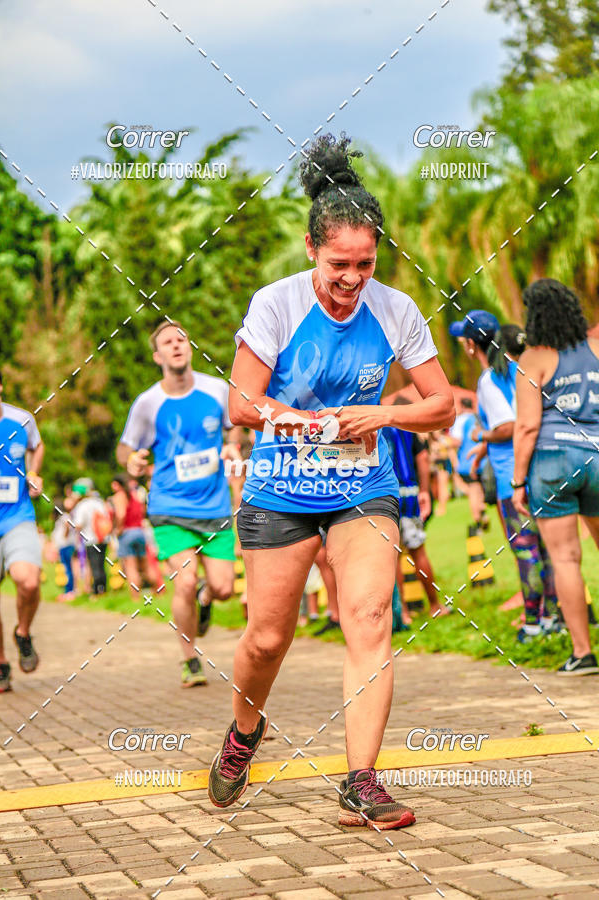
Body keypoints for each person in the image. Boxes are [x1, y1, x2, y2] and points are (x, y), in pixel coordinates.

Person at [208, 134, 455, 829]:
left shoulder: (396, 310)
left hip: (362, 488)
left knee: (370, 619)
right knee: (266, 638)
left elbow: (441, 405)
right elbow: (241, 402)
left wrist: (382, 412)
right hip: (280, 491)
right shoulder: (278, 304)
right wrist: (308, 423)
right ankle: (244, 732)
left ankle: (362, 782)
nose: (352, 278)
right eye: (340, 263)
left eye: (366, 263)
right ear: (313, 247)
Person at [118, 321, 239, 687]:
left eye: (182, 339)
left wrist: (233, 444)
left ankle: (206, 597)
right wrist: (132, 462)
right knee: (183, 582)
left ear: (190, 347)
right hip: (170, 507)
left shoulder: (217, 389)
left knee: (224, 590)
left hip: (215, 507)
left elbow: (235, 424)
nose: (176, 346)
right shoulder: (148, 403)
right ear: (158, 356)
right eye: (168, 342)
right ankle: (190, 659)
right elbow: (126, 445)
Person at [450, 312, 559, 642]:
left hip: (512, 479)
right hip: (540, 470)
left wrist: (481, 437)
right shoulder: (518, 369)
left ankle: (532, 623)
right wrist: (484, 449)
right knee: (547, 549)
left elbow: (509, 426)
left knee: (526, 551)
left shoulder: (488, 379)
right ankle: (556, 618)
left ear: (472, 345)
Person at [512, 279, 599, 674]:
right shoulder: (596, 348)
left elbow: (527, 426)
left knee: (565, 560)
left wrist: (517, 482)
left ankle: (582, 654)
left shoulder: (533, 359)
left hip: (552, 461)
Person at [381, 399, 447, 620]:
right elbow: (423, 457)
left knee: (393, 556)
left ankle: (404, 613)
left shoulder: (374, 421)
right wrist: (425, 491)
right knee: (418, 551)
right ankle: (436, 605)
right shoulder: (407, 424)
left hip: (382, 494)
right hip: (409, 494)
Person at [0, 371, 44, 693]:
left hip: (17, 515)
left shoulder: (22, 420)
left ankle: (23, 633)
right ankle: (1, 662)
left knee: (28, 580)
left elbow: (37, 446)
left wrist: (34, 473)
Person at [109, 473, 155, 599]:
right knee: (146, 566)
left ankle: (135, 597)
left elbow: (121, 514)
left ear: (118, 484)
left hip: (127, 532)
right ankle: (158, 592)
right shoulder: (135, 495)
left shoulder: (120, 496)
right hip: (139, 531)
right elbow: (142, 511)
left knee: (131, 567)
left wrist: (118, 528)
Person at [450, 397, 488, 530]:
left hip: (467, 461)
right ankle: (482, 510)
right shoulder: (478, 417)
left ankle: (477, 521)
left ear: (461, 405)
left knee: (473, 490)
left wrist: (443, 441)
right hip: (483, 460)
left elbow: (457, 441)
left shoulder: (461, 420)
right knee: (479, 488)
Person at [71, 479, 111, 596]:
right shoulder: (99, 502)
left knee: (94, 565)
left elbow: (78, 524)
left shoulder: (82, 505)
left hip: (91, 539)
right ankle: (103, 589)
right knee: (101, 564)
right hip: (103, 538)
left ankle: (97, 591)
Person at [52, 498, 77, 602]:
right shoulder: (62, 517)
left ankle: (70, 591)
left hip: (66, 545)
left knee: (68, 569)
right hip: (63, 546)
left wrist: (65, 536)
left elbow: (68, 526)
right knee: (66, 569)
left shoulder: (64, 516)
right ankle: (68, 590)